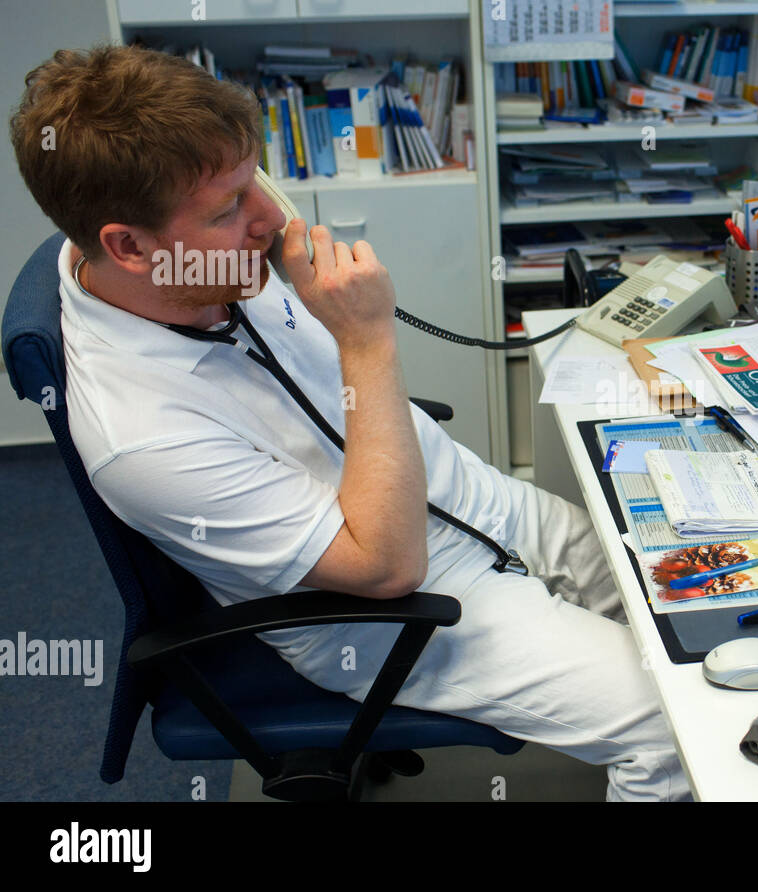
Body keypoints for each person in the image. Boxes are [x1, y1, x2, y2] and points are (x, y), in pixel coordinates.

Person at [10, 44, 686, 801]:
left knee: (701, 602)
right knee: (673, 728)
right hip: (394, 616)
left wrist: (251, 233)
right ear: (128, 247)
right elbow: (386, 570)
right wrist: (367, 340)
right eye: (230, 207)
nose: (270, 220)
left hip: (478, 503)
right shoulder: (140, 435)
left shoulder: (197, 259)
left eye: (253, 178)